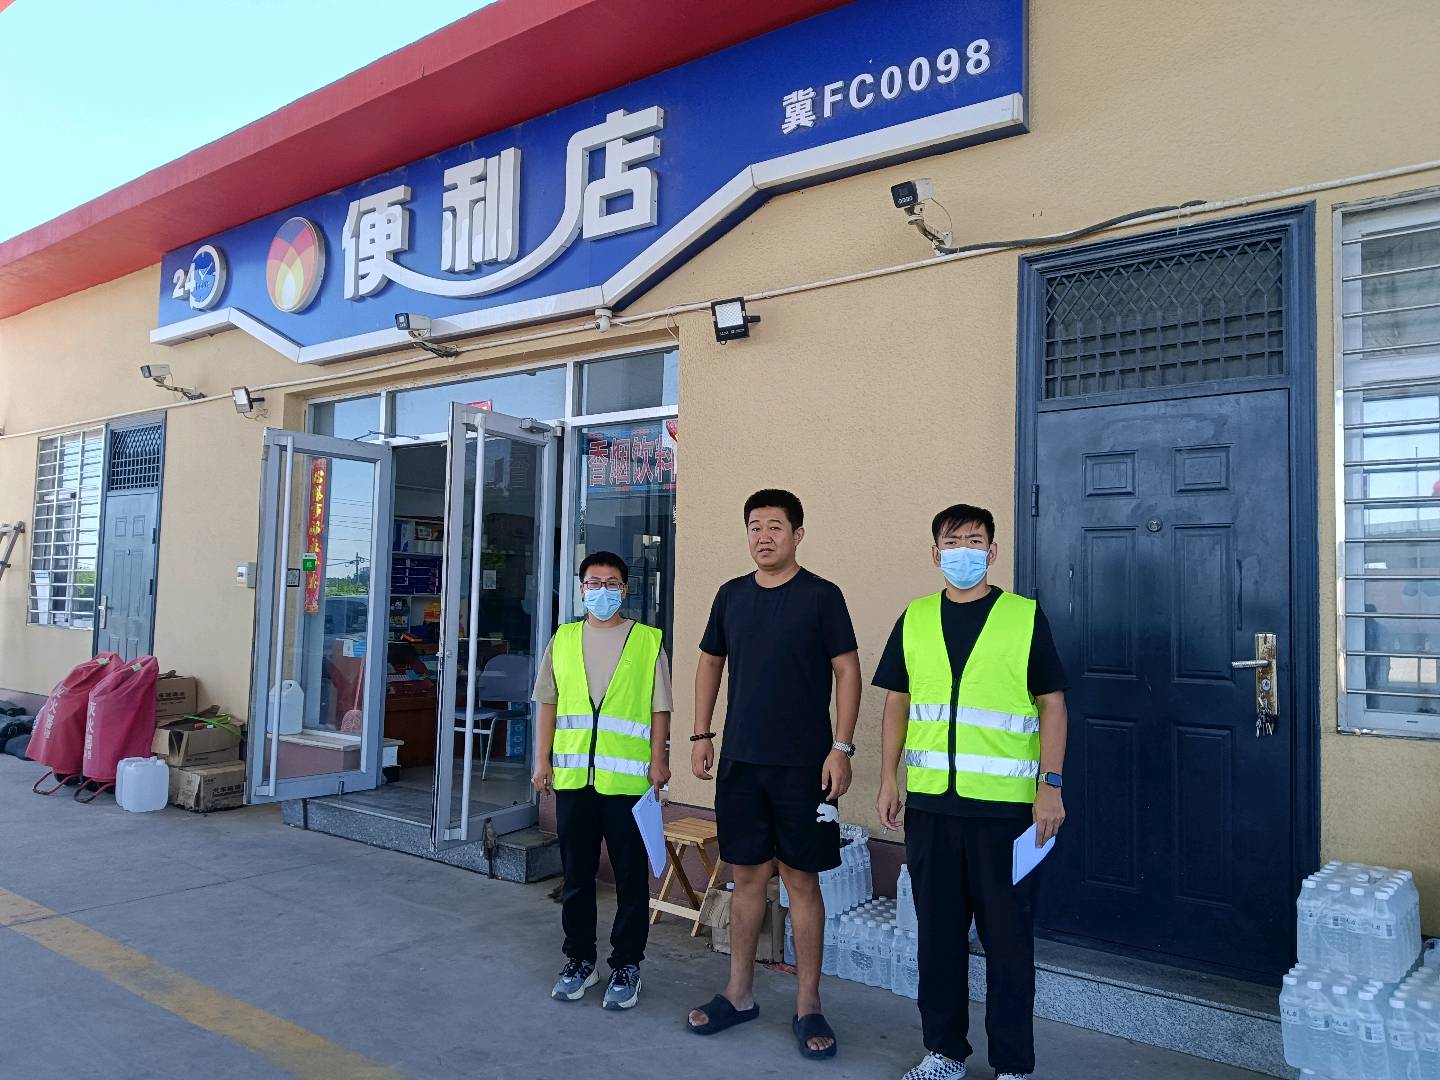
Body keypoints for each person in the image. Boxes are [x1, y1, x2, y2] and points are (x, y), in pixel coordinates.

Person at [874, 504, 1069, 1080]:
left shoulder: (1023, 617)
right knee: (937, 939)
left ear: (992, 551)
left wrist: (1050, 785)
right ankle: (943, 1054)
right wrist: (888, 778)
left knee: (1008, 944)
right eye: (953, 541)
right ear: (936, 553)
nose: (965, 550)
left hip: (1006, 814)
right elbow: (897, 702)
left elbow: (1052, 704)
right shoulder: (915, 618)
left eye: (975, 540)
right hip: (932, 808)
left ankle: (1013, 1065)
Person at [687, 489, 861, 1060]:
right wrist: (701, 735)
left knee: (801, 880)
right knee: (746, 876)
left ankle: (808, 1003)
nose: (763, 536)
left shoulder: (822, 596)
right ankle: (739, 994)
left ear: (798, 535)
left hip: (805, 767)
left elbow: (847, 671)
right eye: (754, 526)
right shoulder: (731, 595)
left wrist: (840, 748)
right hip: (741, 761)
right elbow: (710, 662)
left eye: (775, 527)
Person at [531, 551, 672, 1011]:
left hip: (628, 783)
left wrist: (658, 761)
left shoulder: (647, 641)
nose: (603, 591)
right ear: (581, 589)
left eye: (612, 583)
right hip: (574, 779)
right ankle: (579, 960)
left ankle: (627, 964)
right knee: (577, 875)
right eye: (594, 583)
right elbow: (547, 702)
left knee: (630, 879)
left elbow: (660, 707)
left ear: (625, 590)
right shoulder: (564, 639)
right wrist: (541, 761)